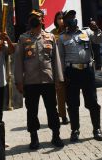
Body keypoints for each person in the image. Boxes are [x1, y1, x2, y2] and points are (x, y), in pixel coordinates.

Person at [14, 10, 64, 150]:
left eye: (37, 17)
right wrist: (19, 81)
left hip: (48, 81)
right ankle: (34, 138)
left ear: (43, 20)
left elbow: (56, 60)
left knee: (52, 110)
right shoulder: (23, 38)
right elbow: (18, 62)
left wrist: (59, 79)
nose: (34, 20)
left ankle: (56, 135)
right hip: (30, 82)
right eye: (32, 18)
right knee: (32, 111)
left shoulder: (50, 37)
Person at [57, 10, 102, 142]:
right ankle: (75, 130)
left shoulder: (87, 32)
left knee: (92, 102)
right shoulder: (61, 38)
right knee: (72, 103)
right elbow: (60, 58)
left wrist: (96, 29)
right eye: (69, 18)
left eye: (73, 17)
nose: (72, 19)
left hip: (87, 71)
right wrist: (62, 76)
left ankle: (97, 129)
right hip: (72, 73)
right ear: (65, 22)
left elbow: (98, 39)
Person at [51, 11, 69, 125]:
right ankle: (63, 116)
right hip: (59, 68)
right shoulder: (52, 34)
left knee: (71, 94)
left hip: (71, 67)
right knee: (60, 94)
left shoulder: (70, 31)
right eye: (59, 18)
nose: (61, 20)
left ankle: (72, 112)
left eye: (62, 18)